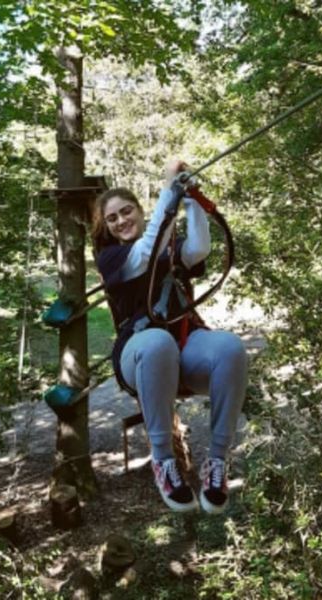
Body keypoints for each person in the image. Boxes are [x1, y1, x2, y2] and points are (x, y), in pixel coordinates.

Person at [93, 161, 248, 514]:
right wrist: (170, 190)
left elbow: (197, 250)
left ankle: (218, 462)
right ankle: (163, 462)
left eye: (126, 211)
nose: (121, 221)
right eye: (112, 218)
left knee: (230, 347)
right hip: (140, 355)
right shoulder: (112, 258)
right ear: (107, 228)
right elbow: (146, 255)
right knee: (156, 343)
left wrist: (191, 197)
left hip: (183, 348)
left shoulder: (168, 247)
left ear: (139, 210)